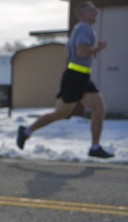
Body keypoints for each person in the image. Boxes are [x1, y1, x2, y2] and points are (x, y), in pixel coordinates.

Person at [16, 1, 114, 159]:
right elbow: (81, 52)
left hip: (81, 77)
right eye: (91, 9)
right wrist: (97, 48)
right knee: (60, 114)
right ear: (82, 14)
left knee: (99, 109)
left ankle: (95, 147)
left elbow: (68, 52)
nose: (95, 10)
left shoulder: (80, 29)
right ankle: (25, 131)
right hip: (75, 78)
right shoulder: (83, 28)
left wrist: (89, 52)